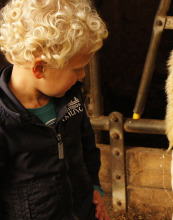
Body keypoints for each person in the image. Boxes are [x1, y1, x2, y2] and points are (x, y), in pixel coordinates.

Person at [0, 0, 110, 219]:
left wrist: (95, 188)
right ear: (39, 68)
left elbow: (86, 142)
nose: (83, 76)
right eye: (77, 69)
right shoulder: (5, 122)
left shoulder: (70, 96)